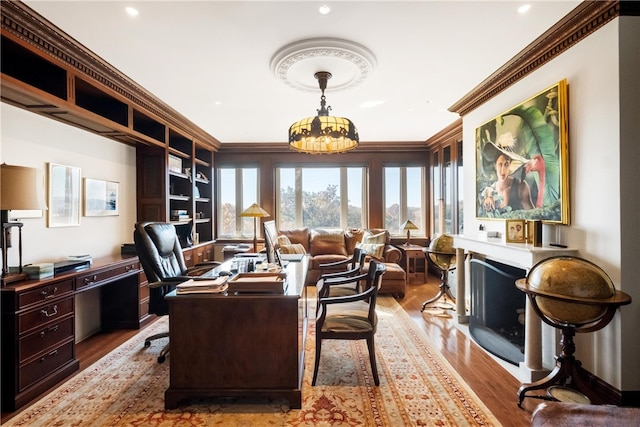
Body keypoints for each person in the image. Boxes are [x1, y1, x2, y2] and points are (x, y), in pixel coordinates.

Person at [480, 136, 534, 213]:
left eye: (506, 164)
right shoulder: (490, 190)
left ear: (510, 165)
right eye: (500, 164)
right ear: (495, 165)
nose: (503, 170)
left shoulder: (521, 187)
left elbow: (533, 215)